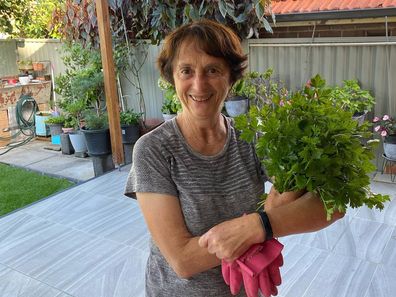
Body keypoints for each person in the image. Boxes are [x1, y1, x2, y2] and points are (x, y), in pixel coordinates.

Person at [124, 19, 344, 297]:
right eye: (186, 71)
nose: (199, 84)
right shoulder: (153, 150)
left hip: (247, 289)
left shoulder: (252, 137)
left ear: (231, 77)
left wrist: (259, 225)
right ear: (173, 78)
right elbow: (183, 260)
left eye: (212, 69)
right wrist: (263, 224)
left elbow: (331, 204)